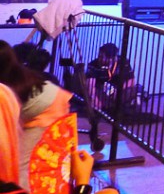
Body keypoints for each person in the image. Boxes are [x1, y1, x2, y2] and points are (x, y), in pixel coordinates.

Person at [0, 40, 72, 187]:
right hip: (47, 103)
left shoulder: (7, 87)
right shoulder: (14, 76)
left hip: (49, 110)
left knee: (19, 166)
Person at [86, 43, 136, 114]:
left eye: (102, 57)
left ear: (111, 58)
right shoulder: (93, 65)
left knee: (131, 91)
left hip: (117, 90)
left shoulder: (123, 62)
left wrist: (119, 90)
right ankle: (106, 107)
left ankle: (114, 107)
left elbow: (131, 81)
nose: (99, 59)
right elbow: (90, 83)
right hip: (101, 91)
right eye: (99, 56)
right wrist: (93, 98)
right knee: (92, 94)